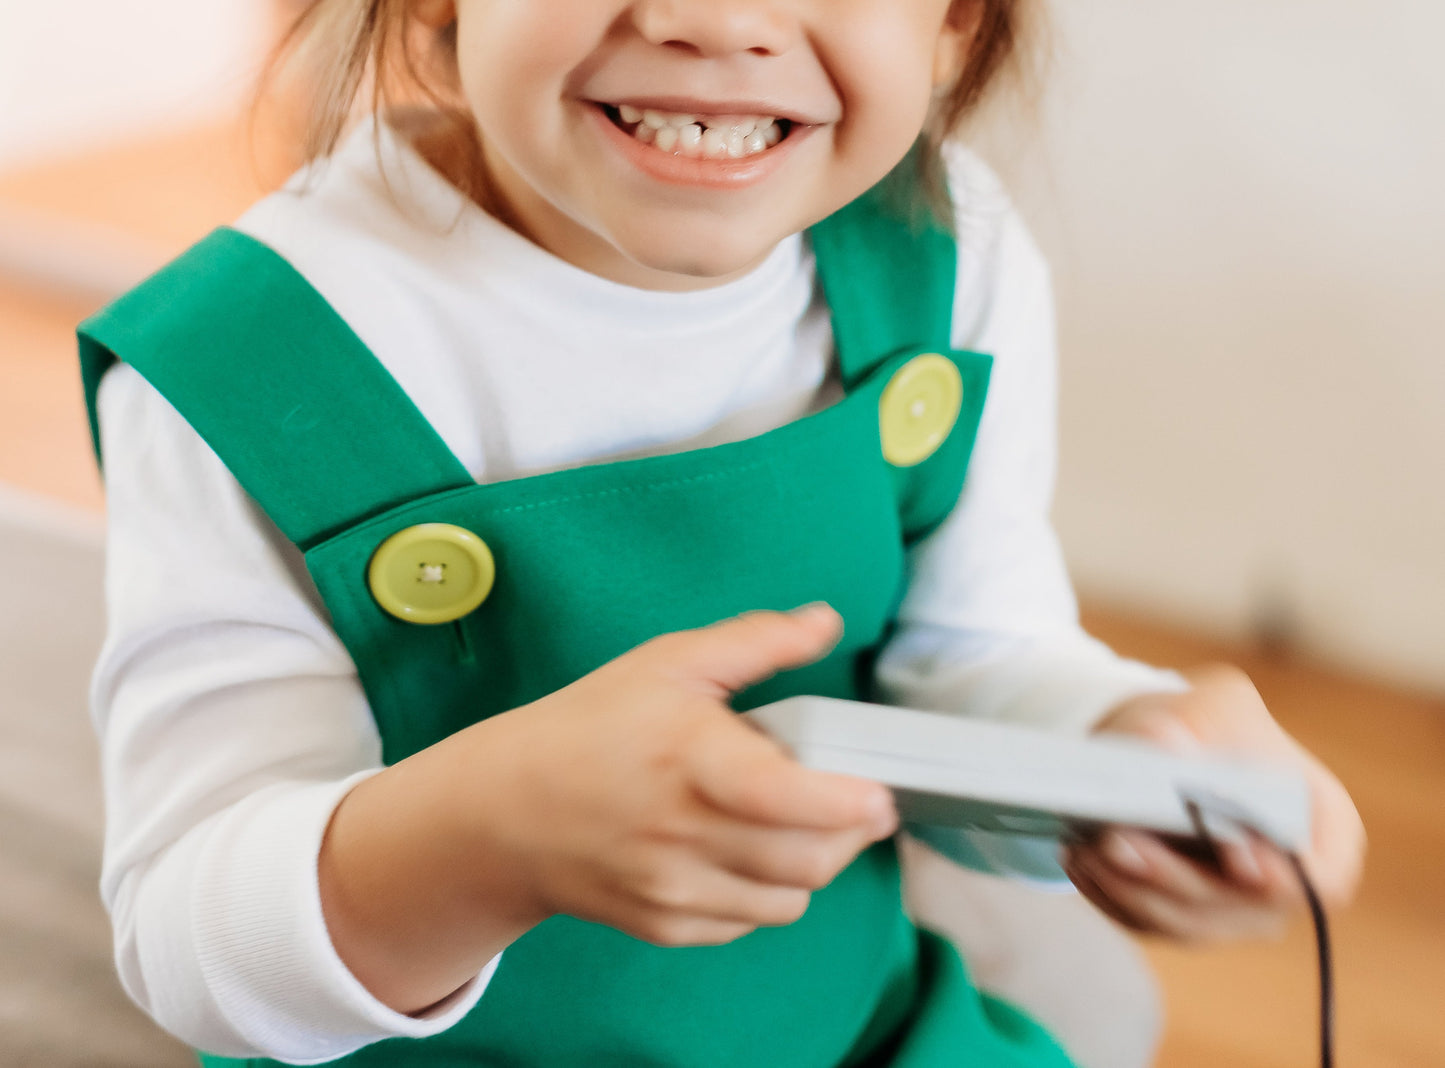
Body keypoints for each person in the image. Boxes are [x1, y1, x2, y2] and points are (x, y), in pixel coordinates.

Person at [80, 1, 1365, 1066]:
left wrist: (1116, 759)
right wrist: (488, 836)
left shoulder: (942, 254)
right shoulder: (249, 362)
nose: (719, 21)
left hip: (849, 1032)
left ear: (954, 21)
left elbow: (970, 659)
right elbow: (190, 937)